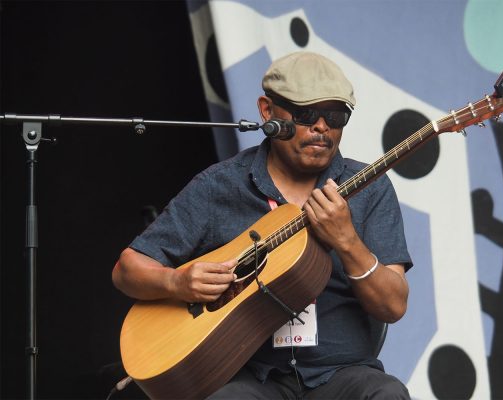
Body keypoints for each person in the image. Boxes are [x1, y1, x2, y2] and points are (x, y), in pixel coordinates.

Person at [112, 51, 413, 399]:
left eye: (335, 116)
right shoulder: (220, 186)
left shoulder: (368, 188)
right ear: (267, 112)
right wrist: (177, 281)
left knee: (388, 395)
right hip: (251, 375)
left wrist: (347, 241)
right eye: (305, 114)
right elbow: (126, 270)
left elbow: (393, 307)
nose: (321, 127)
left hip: (342, 374)